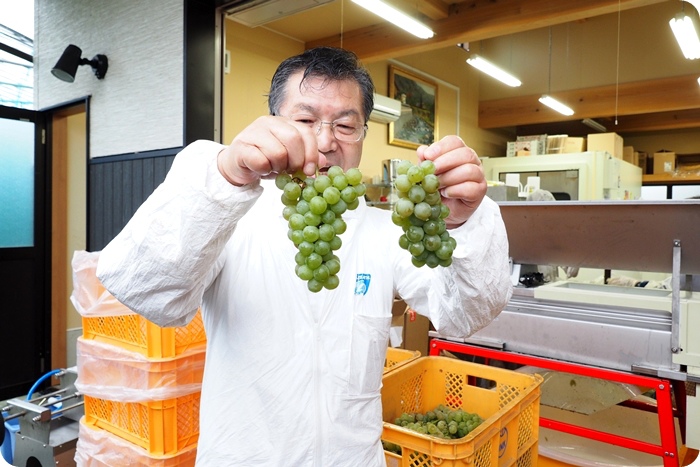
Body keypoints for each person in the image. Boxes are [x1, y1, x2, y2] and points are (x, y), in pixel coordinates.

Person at [96, 47, 512, 466]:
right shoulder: (226, 212)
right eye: (306, 120)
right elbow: (148, 291)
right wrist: (225, 174)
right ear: (275, 123)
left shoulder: (386, 231)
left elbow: (464, 315)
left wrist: (464, 224)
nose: (327, 141)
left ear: (364, 133)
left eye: (346, 125)